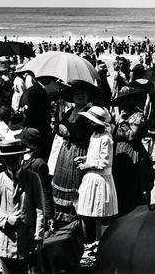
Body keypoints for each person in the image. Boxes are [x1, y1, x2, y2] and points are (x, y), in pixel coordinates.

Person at [0, 139, 45, 274]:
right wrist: (6, 219)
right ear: (3, 160)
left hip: (28, 239)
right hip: (6, 240)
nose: (11, 161)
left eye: (15, 157)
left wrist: (38, 237)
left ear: (22, 157)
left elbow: (40, 209)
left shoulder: (32, 178)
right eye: (8, 158)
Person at [52, 80, 98, 224]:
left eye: (82, 94)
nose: (79, 96)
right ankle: (62, 219)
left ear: (88, 96)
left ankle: (78, 221)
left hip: (80, 152)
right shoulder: (69, 112)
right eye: (76, 94)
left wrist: (68, 132)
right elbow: (61, 128)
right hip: (66, 153)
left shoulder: (90, 113)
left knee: (77, 185)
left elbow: (87, 134)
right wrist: (59, 127)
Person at [74, 106, 118, 249]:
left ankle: (104, 241)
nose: (88, 123)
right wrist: (85, 158)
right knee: (90, 210)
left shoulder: (106, 138)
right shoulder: (94, 136)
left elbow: (105, 162)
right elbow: (95, 155)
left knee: (103, 212)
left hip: (101, 178)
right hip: (91, 177)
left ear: (96, 123)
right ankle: (92, 240)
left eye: (90, 121)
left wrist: (87, 165)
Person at [111, 86, 155, 216]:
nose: (123, 104)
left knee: (132, 184)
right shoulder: (122, 114)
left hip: (133, 153)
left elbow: (131, 136)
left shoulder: (138, 115)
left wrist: (123, 122)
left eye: (126, 100)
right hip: (119, 152)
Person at [18, 127, 54, 225]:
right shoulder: (18, 158)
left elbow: (45, 189)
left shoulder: (38, 164)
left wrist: (48, 215)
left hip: (31, 207)